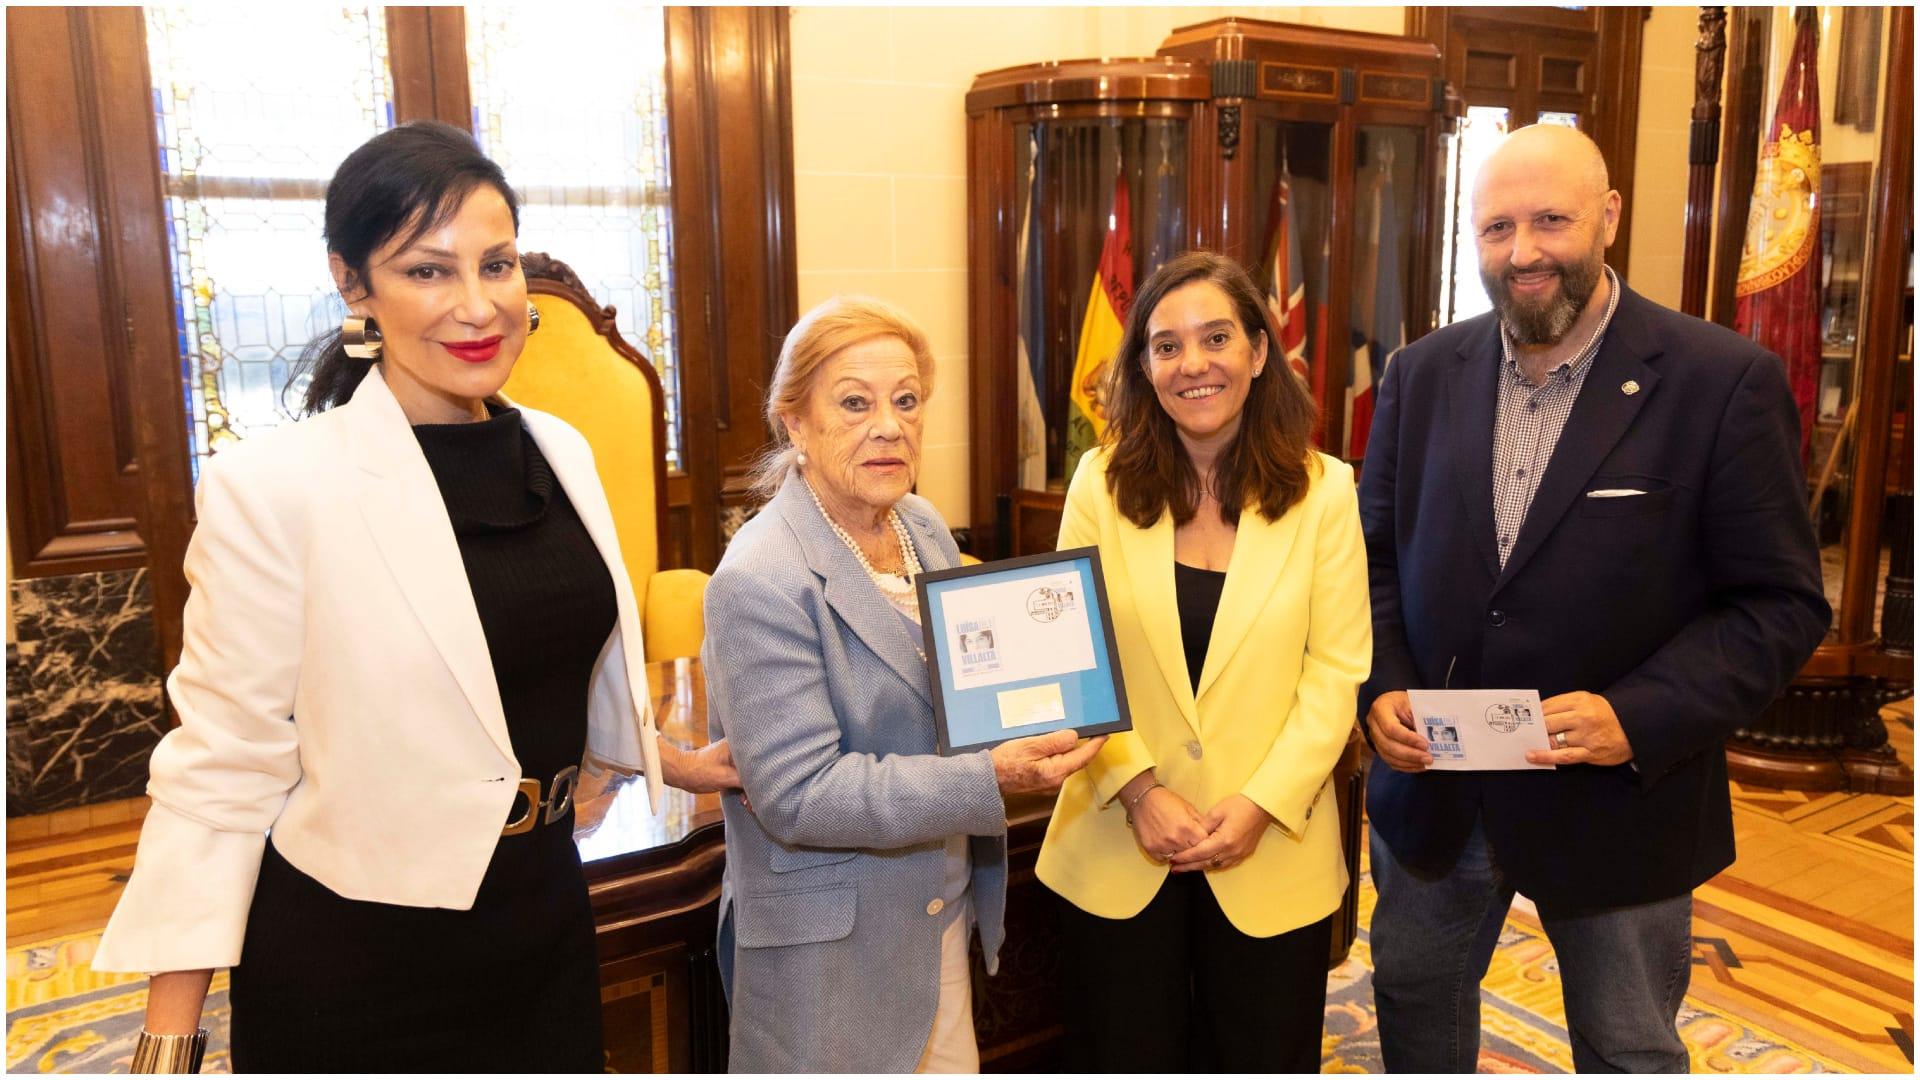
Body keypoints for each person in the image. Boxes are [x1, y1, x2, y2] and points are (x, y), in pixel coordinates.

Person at [91, 121, 737, 1073]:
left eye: (499, 263)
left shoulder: (561, 451)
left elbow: (534, 664)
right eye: (427, 272)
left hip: (544, 917)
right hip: (362, 953)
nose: (478, 307)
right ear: (354, 284)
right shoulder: (278, 487)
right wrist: (167, 1039)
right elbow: (221, 764)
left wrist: (666, 760)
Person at [1360, 123, 1829, 1072]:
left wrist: (1636, 717)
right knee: (1412, 1006)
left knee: (1626, 1046)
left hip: (1618, 799)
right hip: (1437, 789)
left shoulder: (1721, 383)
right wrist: (1382, 687)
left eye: (1550, 221)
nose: (1523, 252)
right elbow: (1368, 563)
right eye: (1497, 229)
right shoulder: (1419, 375)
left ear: (1608, 217)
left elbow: (1780, 604)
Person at [703, 296, 1106, 1072]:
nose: (888, 424)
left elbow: (966, 685)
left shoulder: (918, 524)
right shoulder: (759, 577)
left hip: (937, 914)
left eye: (907, 400)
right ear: (794, 422)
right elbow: (799, 795)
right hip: (833, 950)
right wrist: (992, 776)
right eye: (854, 402)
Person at [1036, 251, 1373, 1071]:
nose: (1193, 363)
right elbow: (1068, 657)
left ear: (1261, 352)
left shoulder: (1327, 492)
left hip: (1272, 853)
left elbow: (1335, 674)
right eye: (1166, 345)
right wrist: (1140, 790)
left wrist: (1261, 803)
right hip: (1117, 843)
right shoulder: (1098, 483)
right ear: (1143, 367)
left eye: (1216, 337)